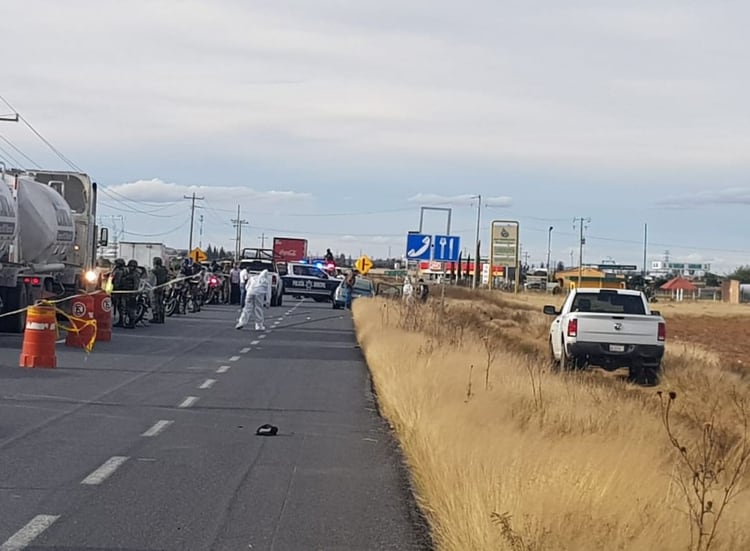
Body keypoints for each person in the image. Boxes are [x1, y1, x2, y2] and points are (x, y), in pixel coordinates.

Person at [119, 259, 141, 328]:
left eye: (133, 266)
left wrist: (134, 294)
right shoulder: (127, 273)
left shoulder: (135, 274)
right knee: (123, 308)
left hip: (131, 294)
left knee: (130, 309)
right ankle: (122, 321)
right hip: (125, 292)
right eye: (130, 266)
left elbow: (136, 285)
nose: (131, 267)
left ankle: (131, 323)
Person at [150, 257, 169, 324]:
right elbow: (167, 279)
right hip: (162, 288)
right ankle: (161, 317)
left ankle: (156, 317)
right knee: (161, 303)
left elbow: (151, 280)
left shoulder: (154, 271)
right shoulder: (164, 270)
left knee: (154, 302)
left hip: (155, 288)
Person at [111, 258, 127, 327]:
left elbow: (117, 282)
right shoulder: (125, 270)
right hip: (123, 290)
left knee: (120, 306)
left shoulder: (119, 271)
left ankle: (121, 321)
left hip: (119, 290)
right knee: (121, 306)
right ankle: (122, 320)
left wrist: (114, 290)